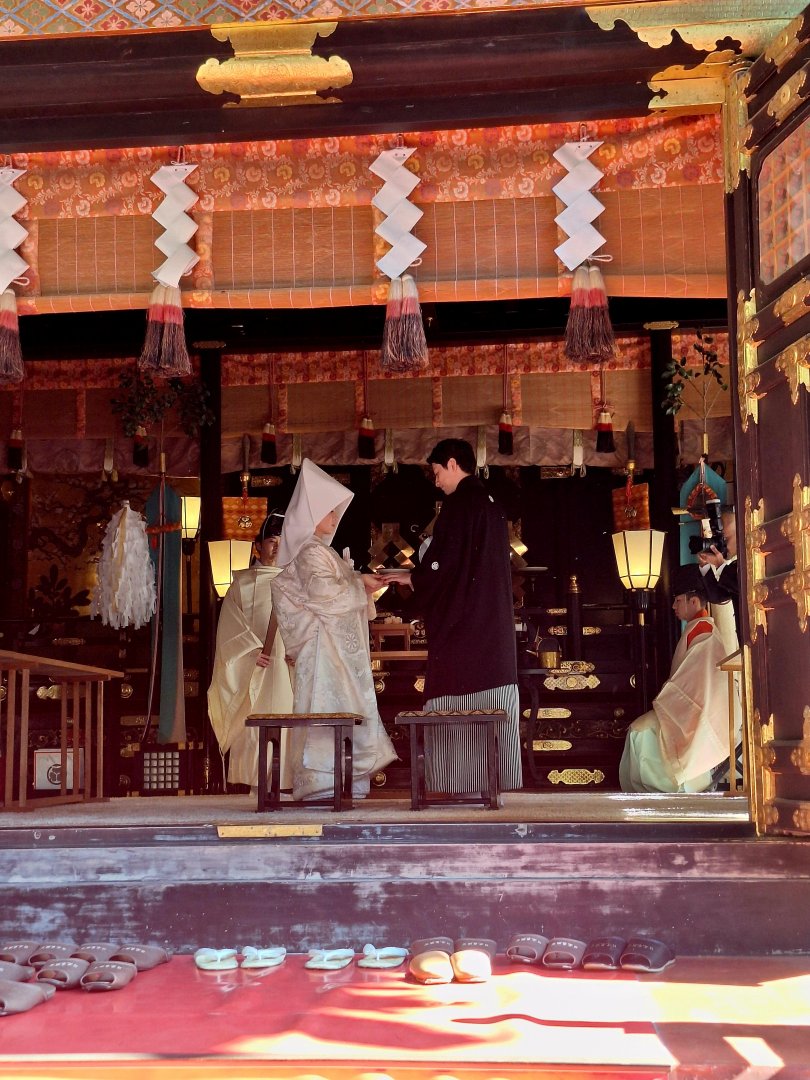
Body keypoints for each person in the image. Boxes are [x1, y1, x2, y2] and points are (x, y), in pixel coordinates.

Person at [380, 438, 522, 794]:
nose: (436, 480)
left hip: (465, 633)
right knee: (492, 705)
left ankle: (458, 782)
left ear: (454, 464)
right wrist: (418, 575)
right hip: (493, 631)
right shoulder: (491, 505)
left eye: (437, 471)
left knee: (455, 698)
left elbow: (442, 567)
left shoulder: (460, 505)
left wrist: (413, 579)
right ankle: (496, 781)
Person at [270, 459, 397, 802]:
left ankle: (341, 779)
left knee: (339, 709)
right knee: (327, 709)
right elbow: (323, 594)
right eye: (328, 510)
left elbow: (334, 588)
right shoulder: (310, 552)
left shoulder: (319, 551)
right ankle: (323, 781)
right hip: (323, 651)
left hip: (330, 649)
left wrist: (360, 582)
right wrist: (359, 585)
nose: (333, 516)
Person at [619, 565, 735, 794]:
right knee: (639, 729)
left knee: (640, 732)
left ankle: (662, 789)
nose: (673, 606)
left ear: (694, 601)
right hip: (691, 707)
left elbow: (696, 682)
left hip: (698, 711)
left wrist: (668, 698)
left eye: (678, 600)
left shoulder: (702, 631)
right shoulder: (697, 628)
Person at [207, 512, 294, 792]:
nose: (277, 547)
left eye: (282, 541)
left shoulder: (295, 581)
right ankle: (258, 788)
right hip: (256, 666)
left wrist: (300, 649)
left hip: (287, 666)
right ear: (258, 546)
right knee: (256, 723)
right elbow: (230, 626)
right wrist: (249, 652)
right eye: (271, 541)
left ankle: (284, 785)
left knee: (288, 720)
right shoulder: (243, 583)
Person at [697, 508, 740, 642]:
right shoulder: (734, 566)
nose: (723, 544)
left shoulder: (751, 561)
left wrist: (720, 565)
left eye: (725, 538)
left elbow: (741, 585)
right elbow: (717, 596)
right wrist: (705, 565)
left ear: (741, 532)